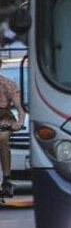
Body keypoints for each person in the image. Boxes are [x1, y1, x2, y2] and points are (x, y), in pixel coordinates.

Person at [0, 64, 25, 198]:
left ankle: (6, 179)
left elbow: (20, 108)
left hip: (3, 120)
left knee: (3, 139)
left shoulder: (8, 84)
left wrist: (20, 122)